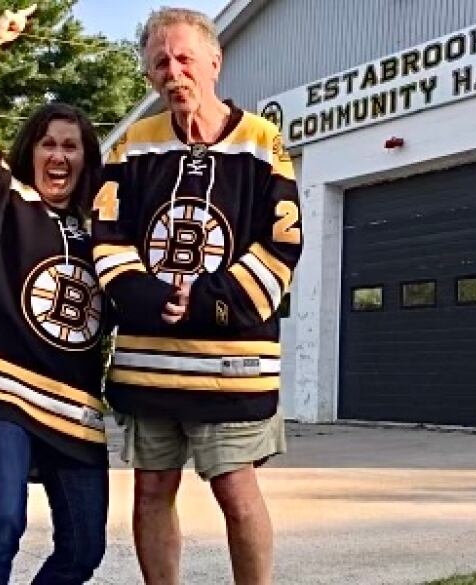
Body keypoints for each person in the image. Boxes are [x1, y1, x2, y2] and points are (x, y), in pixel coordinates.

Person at [91, 7, 303, 585]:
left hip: (232, 367)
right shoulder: (132, 146)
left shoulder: (262, 141)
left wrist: (210, 300)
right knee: (152, 488)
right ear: (149, 76)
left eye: (184, 57)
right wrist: (143, 295)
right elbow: (106, 236)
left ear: (215, 61)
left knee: (236, 491)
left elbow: (281, 243)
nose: (173, 70)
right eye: (160, 61)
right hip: (148, 363)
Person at [0, 6, 109, 584]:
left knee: (83, 549)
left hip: (71, 406)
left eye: (73, 146)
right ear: (31, 149)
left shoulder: (106, 232)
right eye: (49, 143)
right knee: (3, 520)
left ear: (87, 160)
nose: (59, 156)